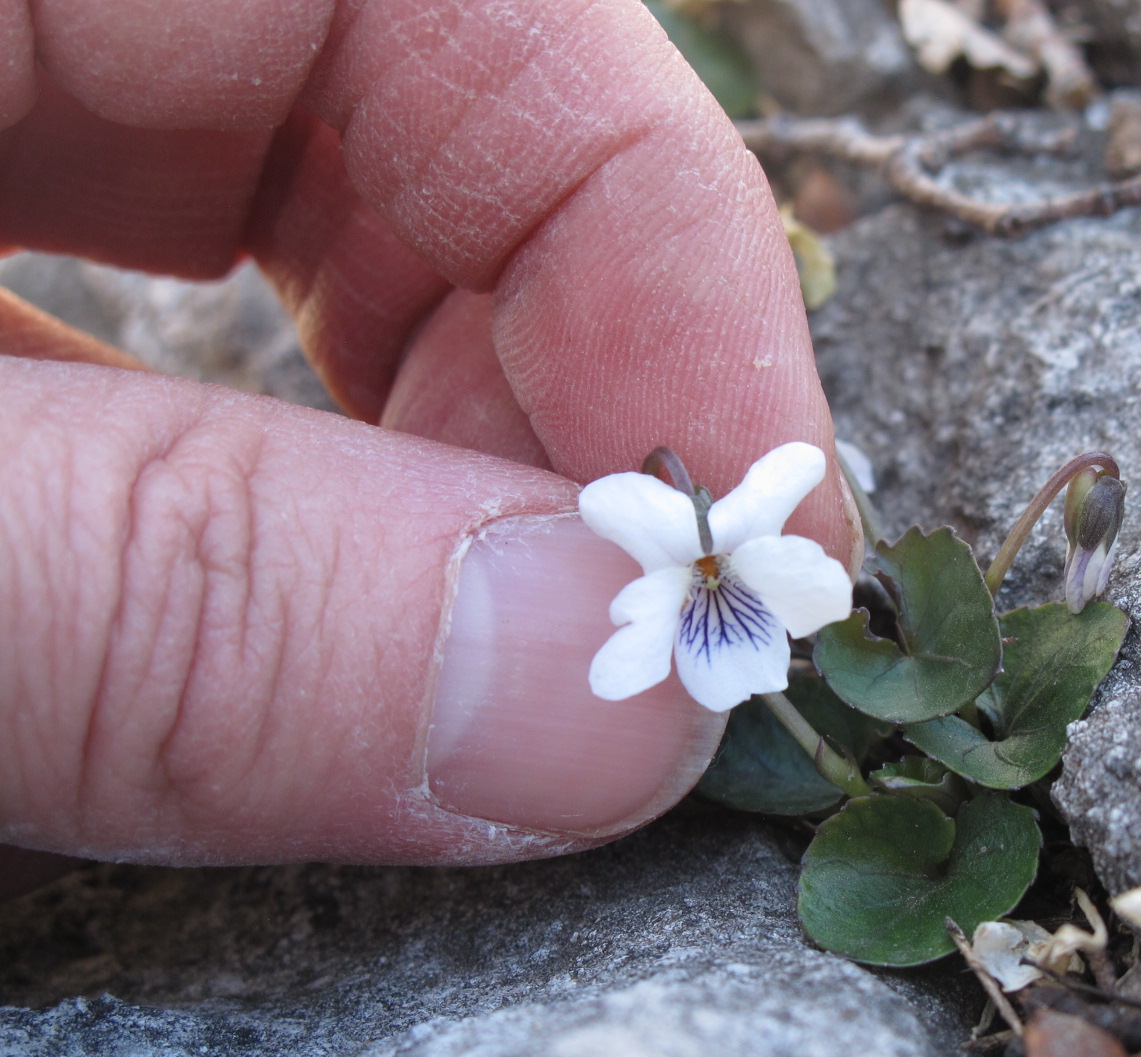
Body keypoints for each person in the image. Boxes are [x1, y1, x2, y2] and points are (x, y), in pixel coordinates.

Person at [0, 0, 859, 894]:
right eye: (707, 565)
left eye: (710, 566)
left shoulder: (704, 566)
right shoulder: (690, 556)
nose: (710, 570)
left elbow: (762, 563)